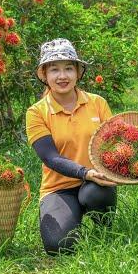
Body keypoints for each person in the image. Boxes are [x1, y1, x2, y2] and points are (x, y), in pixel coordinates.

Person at [25, 38, 117, 256]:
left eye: (68, 68)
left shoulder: (97, 103)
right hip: (58, 187)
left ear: (78, 72)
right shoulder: (36, 112)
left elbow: (117, 139)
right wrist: (85, 173)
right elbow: (50, 158)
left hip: (97, 183)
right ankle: (71, 217)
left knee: (97, 193)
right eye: (54, 70)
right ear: (44, 76)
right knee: (59, 247)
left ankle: (104, 230)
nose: (62, 76)